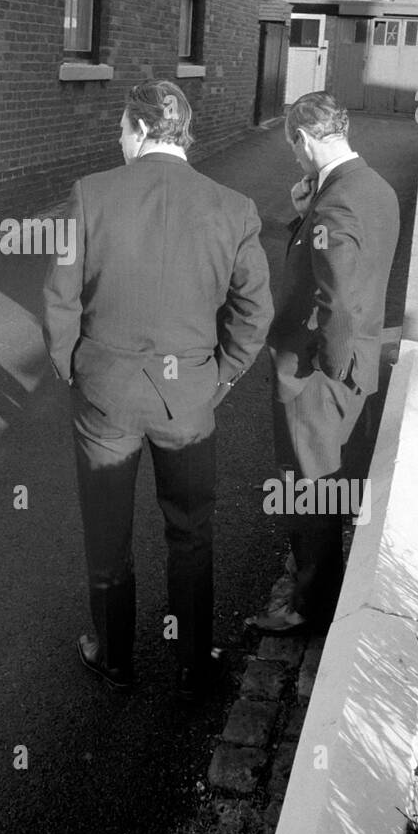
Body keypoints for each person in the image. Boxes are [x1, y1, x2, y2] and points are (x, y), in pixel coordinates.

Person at [43, 80, 273, 701]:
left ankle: (115, 655)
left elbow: (60, 299)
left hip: (106, 394)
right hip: (189, 397)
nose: (119, 141)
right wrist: (222, 376)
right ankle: (195, 660)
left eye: (122, 129)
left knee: (108, 531)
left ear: (142, 131)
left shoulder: (92, 195)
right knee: (192, 531)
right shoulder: (233, 207)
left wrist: (73, 370)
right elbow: (253, 313)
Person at [246, 92, 400, 635]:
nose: (294, 157)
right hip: (358, 360)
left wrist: (326, 373)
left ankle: (310, 608)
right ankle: (320, 583)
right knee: (329, 479)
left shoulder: (335, 205)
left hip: (319, 373)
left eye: (293, 147)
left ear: (305, 139)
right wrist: (302, 208)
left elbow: (333, 300)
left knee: (307, 486)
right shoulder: (372, 188)